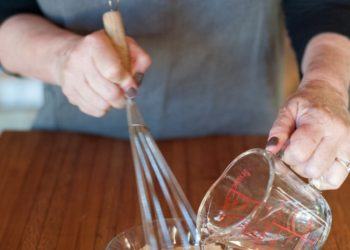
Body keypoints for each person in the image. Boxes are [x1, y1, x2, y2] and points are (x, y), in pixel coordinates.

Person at [0, 0, 349, 191]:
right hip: (70, 155)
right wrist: (61, 59)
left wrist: (327, 85)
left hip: (243, 146)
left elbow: (324, 7)